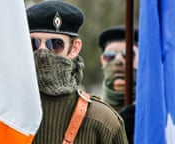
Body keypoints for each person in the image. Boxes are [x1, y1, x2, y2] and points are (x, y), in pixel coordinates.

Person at [26, 1, 128, 143]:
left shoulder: (102, 120)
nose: (42, 52)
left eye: (55, 44)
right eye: (34, 44)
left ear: (74, 48)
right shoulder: (5, 114)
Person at [98, 25, 138, 140]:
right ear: (102, 61)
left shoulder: (158, 110)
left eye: (129, 54)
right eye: (110, 55)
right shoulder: (86, 110)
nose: (118, 61)